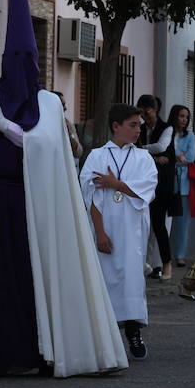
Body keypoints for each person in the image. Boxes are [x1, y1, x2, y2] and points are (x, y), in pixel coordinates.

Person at [0, 0, 128, 380]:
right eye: (14, 61)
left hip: (36, 208)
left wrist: (9, 129)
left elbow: (51, 151)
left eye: (28, 61)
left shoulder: (49, 104)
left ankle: (45, 350)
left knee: (35, 280)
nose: (22, 68)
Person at [81, 104, 157, 360]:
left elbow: (146, 189)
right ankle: (106, 337)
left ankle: (134, 331)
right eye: (133, 125)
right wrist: (100, 232)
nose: (138, 130)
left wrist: (115, 184)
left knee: (132, 280)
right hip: (106, 227)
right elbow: (91, 195)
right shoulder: (97, 156)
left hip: (133, 230)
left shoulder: (143, 158)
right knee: (105, 279)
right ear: (116, 126)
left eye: (139, 126)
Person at [136, 94, 176, 282]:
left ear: (155, 109)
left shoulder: (167, 127)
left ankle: (166, 264)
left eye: (148, 111)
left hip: (162, 184)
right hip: (143, 182)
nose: (145, 116)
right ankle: (146, 265)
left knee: (159, 225)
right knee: (143, 226)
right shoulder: (141, 128)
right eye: (141, 113)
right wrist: (152, 158)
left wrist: (141, 150)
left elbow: (161, 146)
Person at [166, 104, 195, 268]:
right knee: (167, 219)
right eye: (181, 116)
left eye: (186, 116)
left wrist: (175, 158)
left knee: (183, 221)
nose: (184, 120)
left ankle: (181, 255)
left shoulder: (190, 136)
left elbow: (191, 157)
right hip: (168, 180)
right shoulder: (167, 132)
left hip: (183, 182)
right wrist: (178, 157)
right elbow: (166, 153)